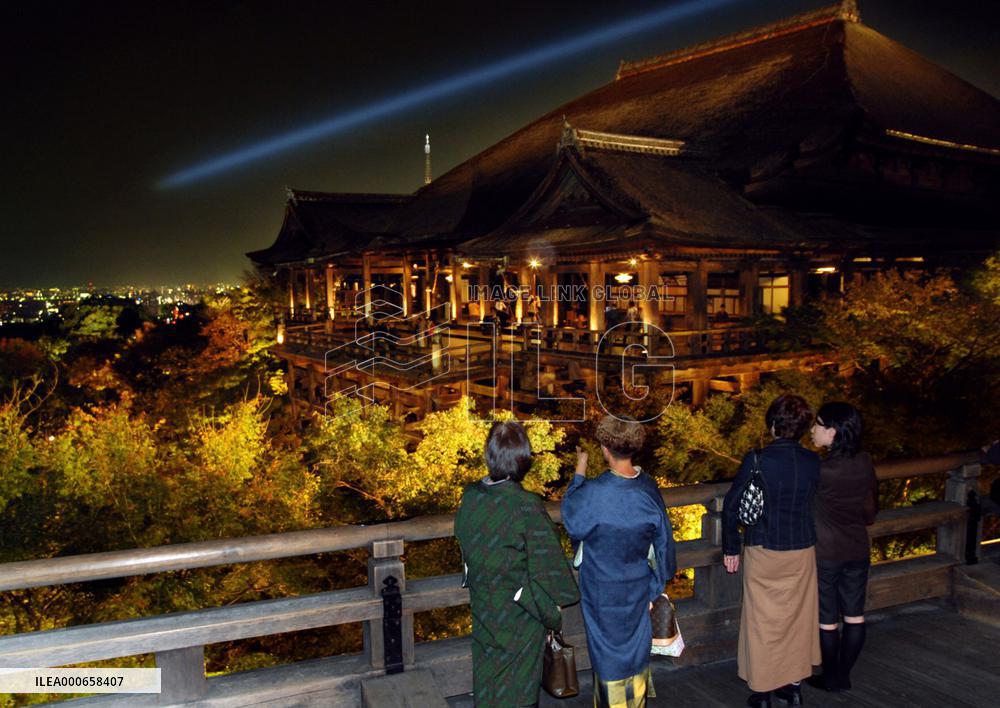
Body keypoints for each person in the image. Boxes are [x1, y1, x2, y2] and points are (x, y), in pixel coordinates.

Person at [454, 421, 579, 707]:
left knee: (488, 675)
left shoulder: (471, 496)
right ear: (523, 459)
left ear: (489, 455)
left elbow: (464, 535)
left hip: (485, 602)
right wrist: (559, 598)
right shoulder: (525, 505)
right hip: (519, 609)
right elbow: (548, 559)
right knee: (519, 684)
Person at [562, 416, 676, 707]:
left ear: (605, 449)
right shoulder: (647, 487)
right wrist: (655, 587)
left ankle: (612, 703)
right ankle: (634, 702)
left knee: (607, 654)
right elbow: (663, 544)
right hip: (638, 586)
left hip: (601, 588)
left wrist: (580, 470)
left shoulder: (595, 492)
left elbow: (573, 519)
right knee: (636, 651)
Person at [722, 394, 821, 708]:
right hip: (802, 547)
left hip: (764, 547)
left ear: (773, 424)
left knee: (762, 620)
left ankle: (763, 691)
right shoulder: (813, 461)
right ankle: (792, 688)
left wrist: (731, 547)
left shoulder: (758, 460)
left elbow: (732, 506)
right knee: (797, 619)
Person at [808, 402, 878, 693]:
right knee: (854, 615)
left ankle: (831, 676)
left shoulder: (822, 470)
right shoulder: (864, 461)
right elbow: (869, 511)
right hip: (857, 546)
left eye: (818, 424)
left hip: (827, 551)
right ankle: (843, 675)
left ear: (833, 431)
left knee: (827, 620)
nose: (813, 429)